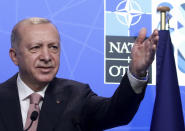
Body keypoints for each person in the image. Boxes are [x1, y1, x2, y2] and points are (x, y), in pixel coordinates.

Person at [0, 17, 158, 131]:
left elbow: (117, 113)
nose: (47, 57)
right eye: (35, 47)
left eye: (53, 47)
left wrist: (137, 72)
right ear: (15, 56)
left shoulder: (77, 96)